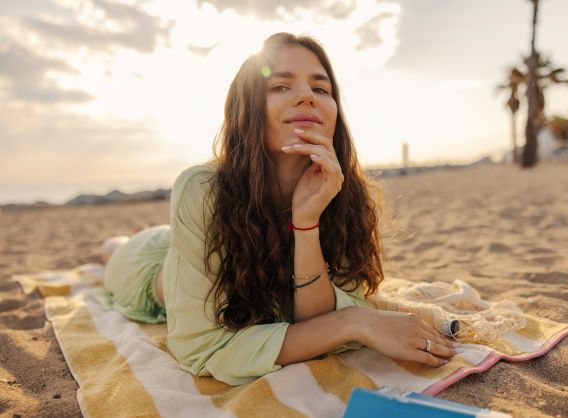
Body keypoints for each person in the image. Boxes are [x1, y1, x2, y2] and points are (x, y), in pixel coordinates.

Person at [96, 32, 455, 386]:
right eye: (281, 86)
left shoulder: (345, 190)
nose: (306, 97)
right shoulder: (202, 188)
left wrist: (306, 221)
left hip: (189, 244)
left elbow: (318, 319)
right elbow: (200, 348)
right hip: (150, 267)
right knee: (113, 251)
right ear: (248, 108)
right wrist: (354, 322)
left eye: (321, 88)